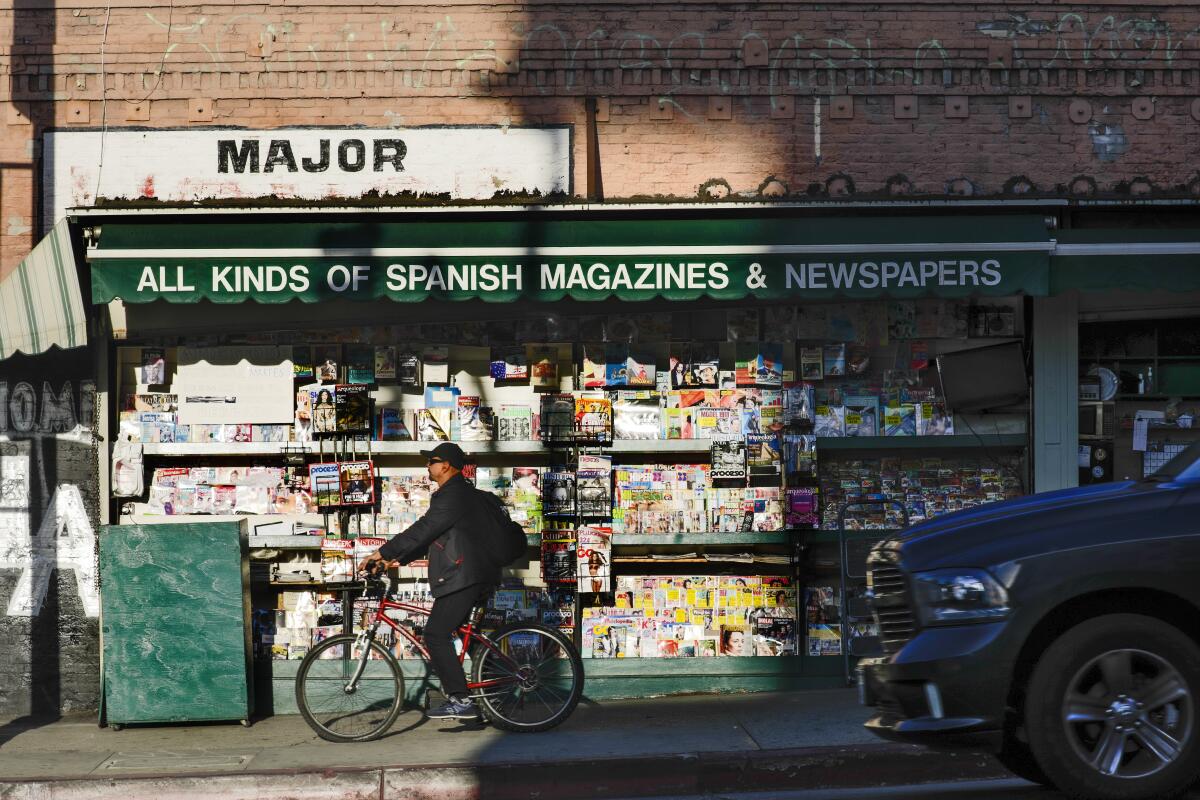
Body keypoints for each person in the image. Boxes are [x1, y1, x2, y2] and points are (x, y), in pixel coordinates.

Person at [358, 442, 501, 722]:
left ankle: (460, 700)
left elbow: (424, 528)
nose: (428, 466)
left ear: (446, 465)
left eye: (432, 461)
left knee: (435, 634)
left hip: (465, 576)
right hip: (471, 573)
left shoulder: (455, 494)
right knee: (463, 633)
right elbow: (437, 537)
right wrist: (398, 559)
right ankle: (496, 691)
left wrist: (381, 551)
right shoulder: (457, 494)